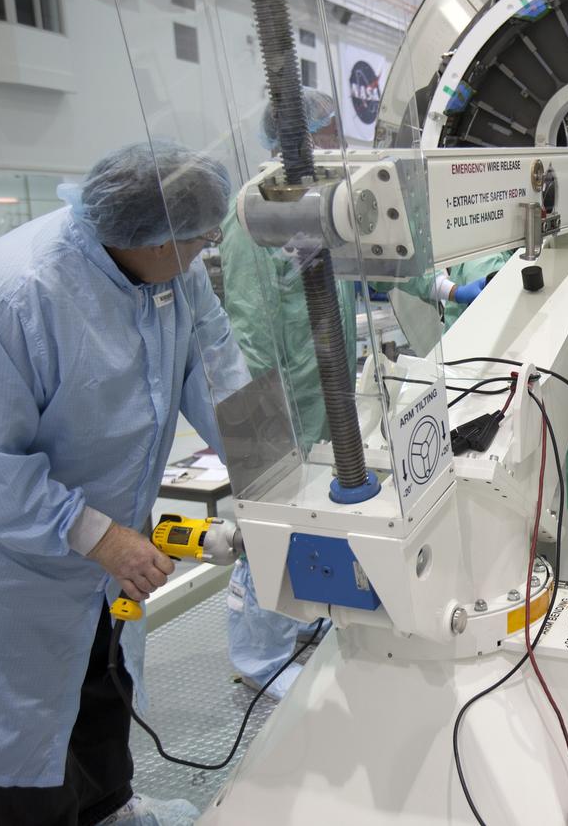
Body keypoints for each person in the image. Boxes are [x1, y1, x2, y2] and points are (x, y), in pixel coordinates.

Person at [0, 140, 249, 825]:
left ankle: (112, 809)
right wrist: (100, 537)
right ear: (148, 234)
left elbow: (218, 374)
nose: (209, 245)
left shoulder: (174, 274)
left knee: (100, 688)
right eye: (200, 235)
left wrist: (272, 474)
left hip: (101, 558)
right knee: (25, 736)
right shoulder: (10, 297)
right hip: (11, 572)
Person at [220, 89, 356, 700]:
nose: (334, 143)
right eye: (326, 133)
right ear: (301, 138)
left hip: (322, 389)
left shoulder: (316, 203)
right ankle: (258, 654)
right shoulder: (253, 211)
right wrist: (260, 413)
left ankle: (303, 614)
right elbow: (247, 321)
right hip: (279, 398)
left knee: (309, 513)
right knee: (272, 518)